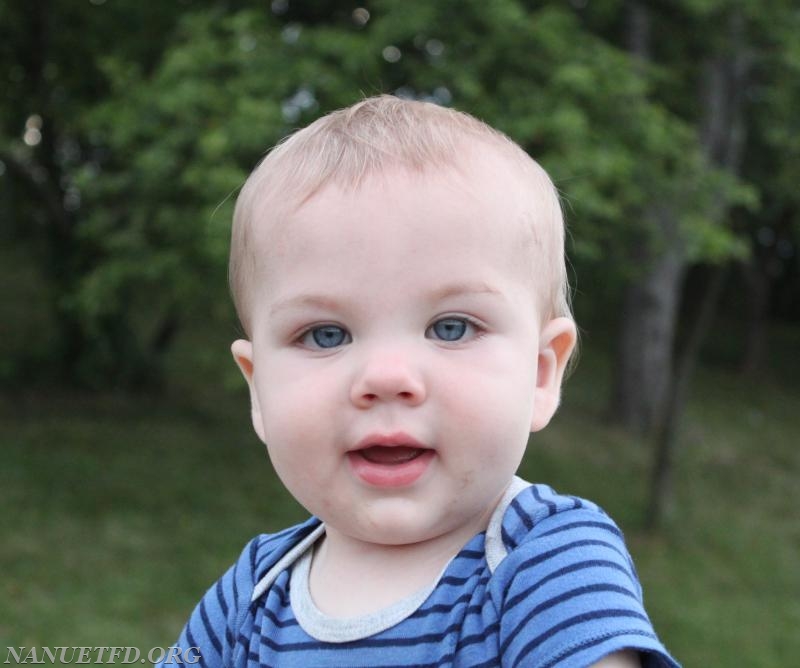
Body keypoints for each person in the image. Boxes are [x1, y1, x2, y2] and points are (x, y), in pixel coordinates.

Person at [160, 96, 679, 667]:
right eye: (326, 335)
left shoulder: (546, 560)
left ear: (539, 373)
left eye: (451, 327)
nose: (385, 378)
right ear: (259, 390)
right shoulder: (251, 598)